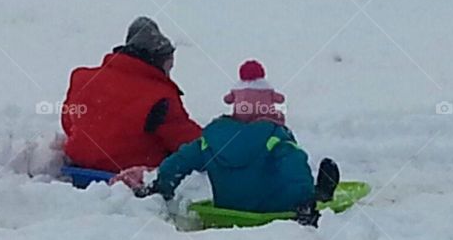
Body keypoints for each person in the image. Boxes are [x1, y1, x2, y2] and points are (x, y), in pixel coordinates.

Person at [137, 61, 340, 226]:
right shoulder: (274, 136)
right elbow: (295, 166)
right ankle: (318, 196)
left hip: (228, 205)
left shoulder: (211, 140)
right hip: (274, 207)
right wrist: (305, 200)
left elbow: (180, 161)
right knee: (297, 185)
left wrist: (163, 184)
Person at [61, 17, 202, 172]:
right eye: (168, 68)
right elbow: (191, 145)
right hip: (128, 174)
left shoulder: (82, 79)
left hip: (79, 165)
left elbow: (68, 122)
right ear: (157, 62)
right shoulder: (159, 98)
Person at [223, 59, 286, 125]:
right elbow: (280, 99)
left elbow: (227, 100)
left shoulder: (238, 89)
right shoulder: (266, 88)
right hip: (265, 117)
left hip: (241, 119)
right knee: (278, 115)